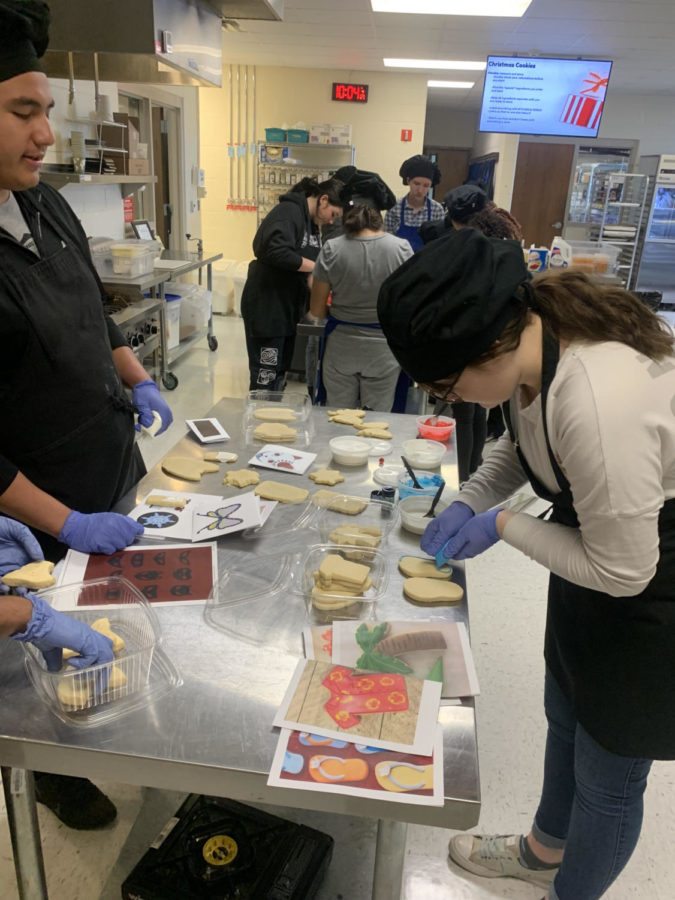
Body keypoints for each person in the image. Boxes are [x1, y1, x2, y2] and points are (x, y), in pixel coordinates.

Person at [378, 227, 675, 900]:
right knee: (566, 709)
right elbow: (521, 441)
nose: (448, 400)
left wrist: (505, 524)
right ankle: (541, 853)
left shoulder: (598, 400)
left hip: (656, 587)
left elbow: (625, 572)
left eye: (445, 385)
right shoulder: (535, 341)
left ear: (487, 346)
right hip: (593, 545)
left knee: (608, 774)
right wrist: (471, 499)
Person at [0, 0, 172, 828]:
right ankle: (58, 773)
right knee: (46, 651)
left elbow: (94, 316)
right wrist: (67, 520)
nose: (44, 135)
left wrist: (135, 377)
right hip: (35, 502)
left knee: (125, 616)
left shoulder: (44, 202)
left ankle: (133, 722)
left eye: (48, 113)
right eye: (22, 112)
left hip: (109, 458)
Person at [421, 184, 522, 481]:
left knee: (464, 412)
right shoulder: (502, 241)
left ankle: (463, 478)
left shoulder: (463, 247)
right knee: (478, 411)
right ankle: (474, 467)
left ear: (452, 217)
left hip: (466, 335)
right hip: (496, 335)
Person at [309, 167, 413, 410]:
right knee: (378, 427)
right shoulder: (401, 249)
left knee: (337, 421)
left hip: (341, 347)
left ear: (346, 211)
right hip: (383, 351)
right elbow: (408, 306)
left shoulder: (332, 248)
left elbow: (317, 309)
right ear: (380, 213)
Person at [241, 176, 343, 391]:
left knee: (279, 371)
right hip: (268, 310)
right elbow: (273, 250)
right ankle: (260, 416)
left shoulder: (312, 224)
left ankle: (270, 412)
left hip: (286, 310)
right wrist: (317, 267)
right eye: (333, 214)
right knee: (266, 373)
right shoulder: (288, 213)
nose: (332, 221)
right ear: (323, 200)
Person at [383, 154, 443, 252]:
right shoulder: (394, 208)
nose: (420, 190)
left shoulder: (437, 210)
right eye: (416, 183)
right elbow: (387, 243)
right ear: (408, 180)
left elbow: (438, 244)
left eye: (426, 185)